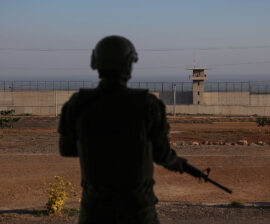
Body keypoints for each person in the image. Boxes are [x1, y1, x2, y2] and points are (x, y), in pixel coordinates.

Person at [58, 35, 186, 224]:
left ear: (95, 62)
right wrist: (176, 162)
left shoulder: (78, 104)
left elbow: (66, 149)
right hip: (138, 211)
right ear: (128, 64)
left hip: (95, 210)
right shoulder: (148, 105)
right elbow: (162, 154)